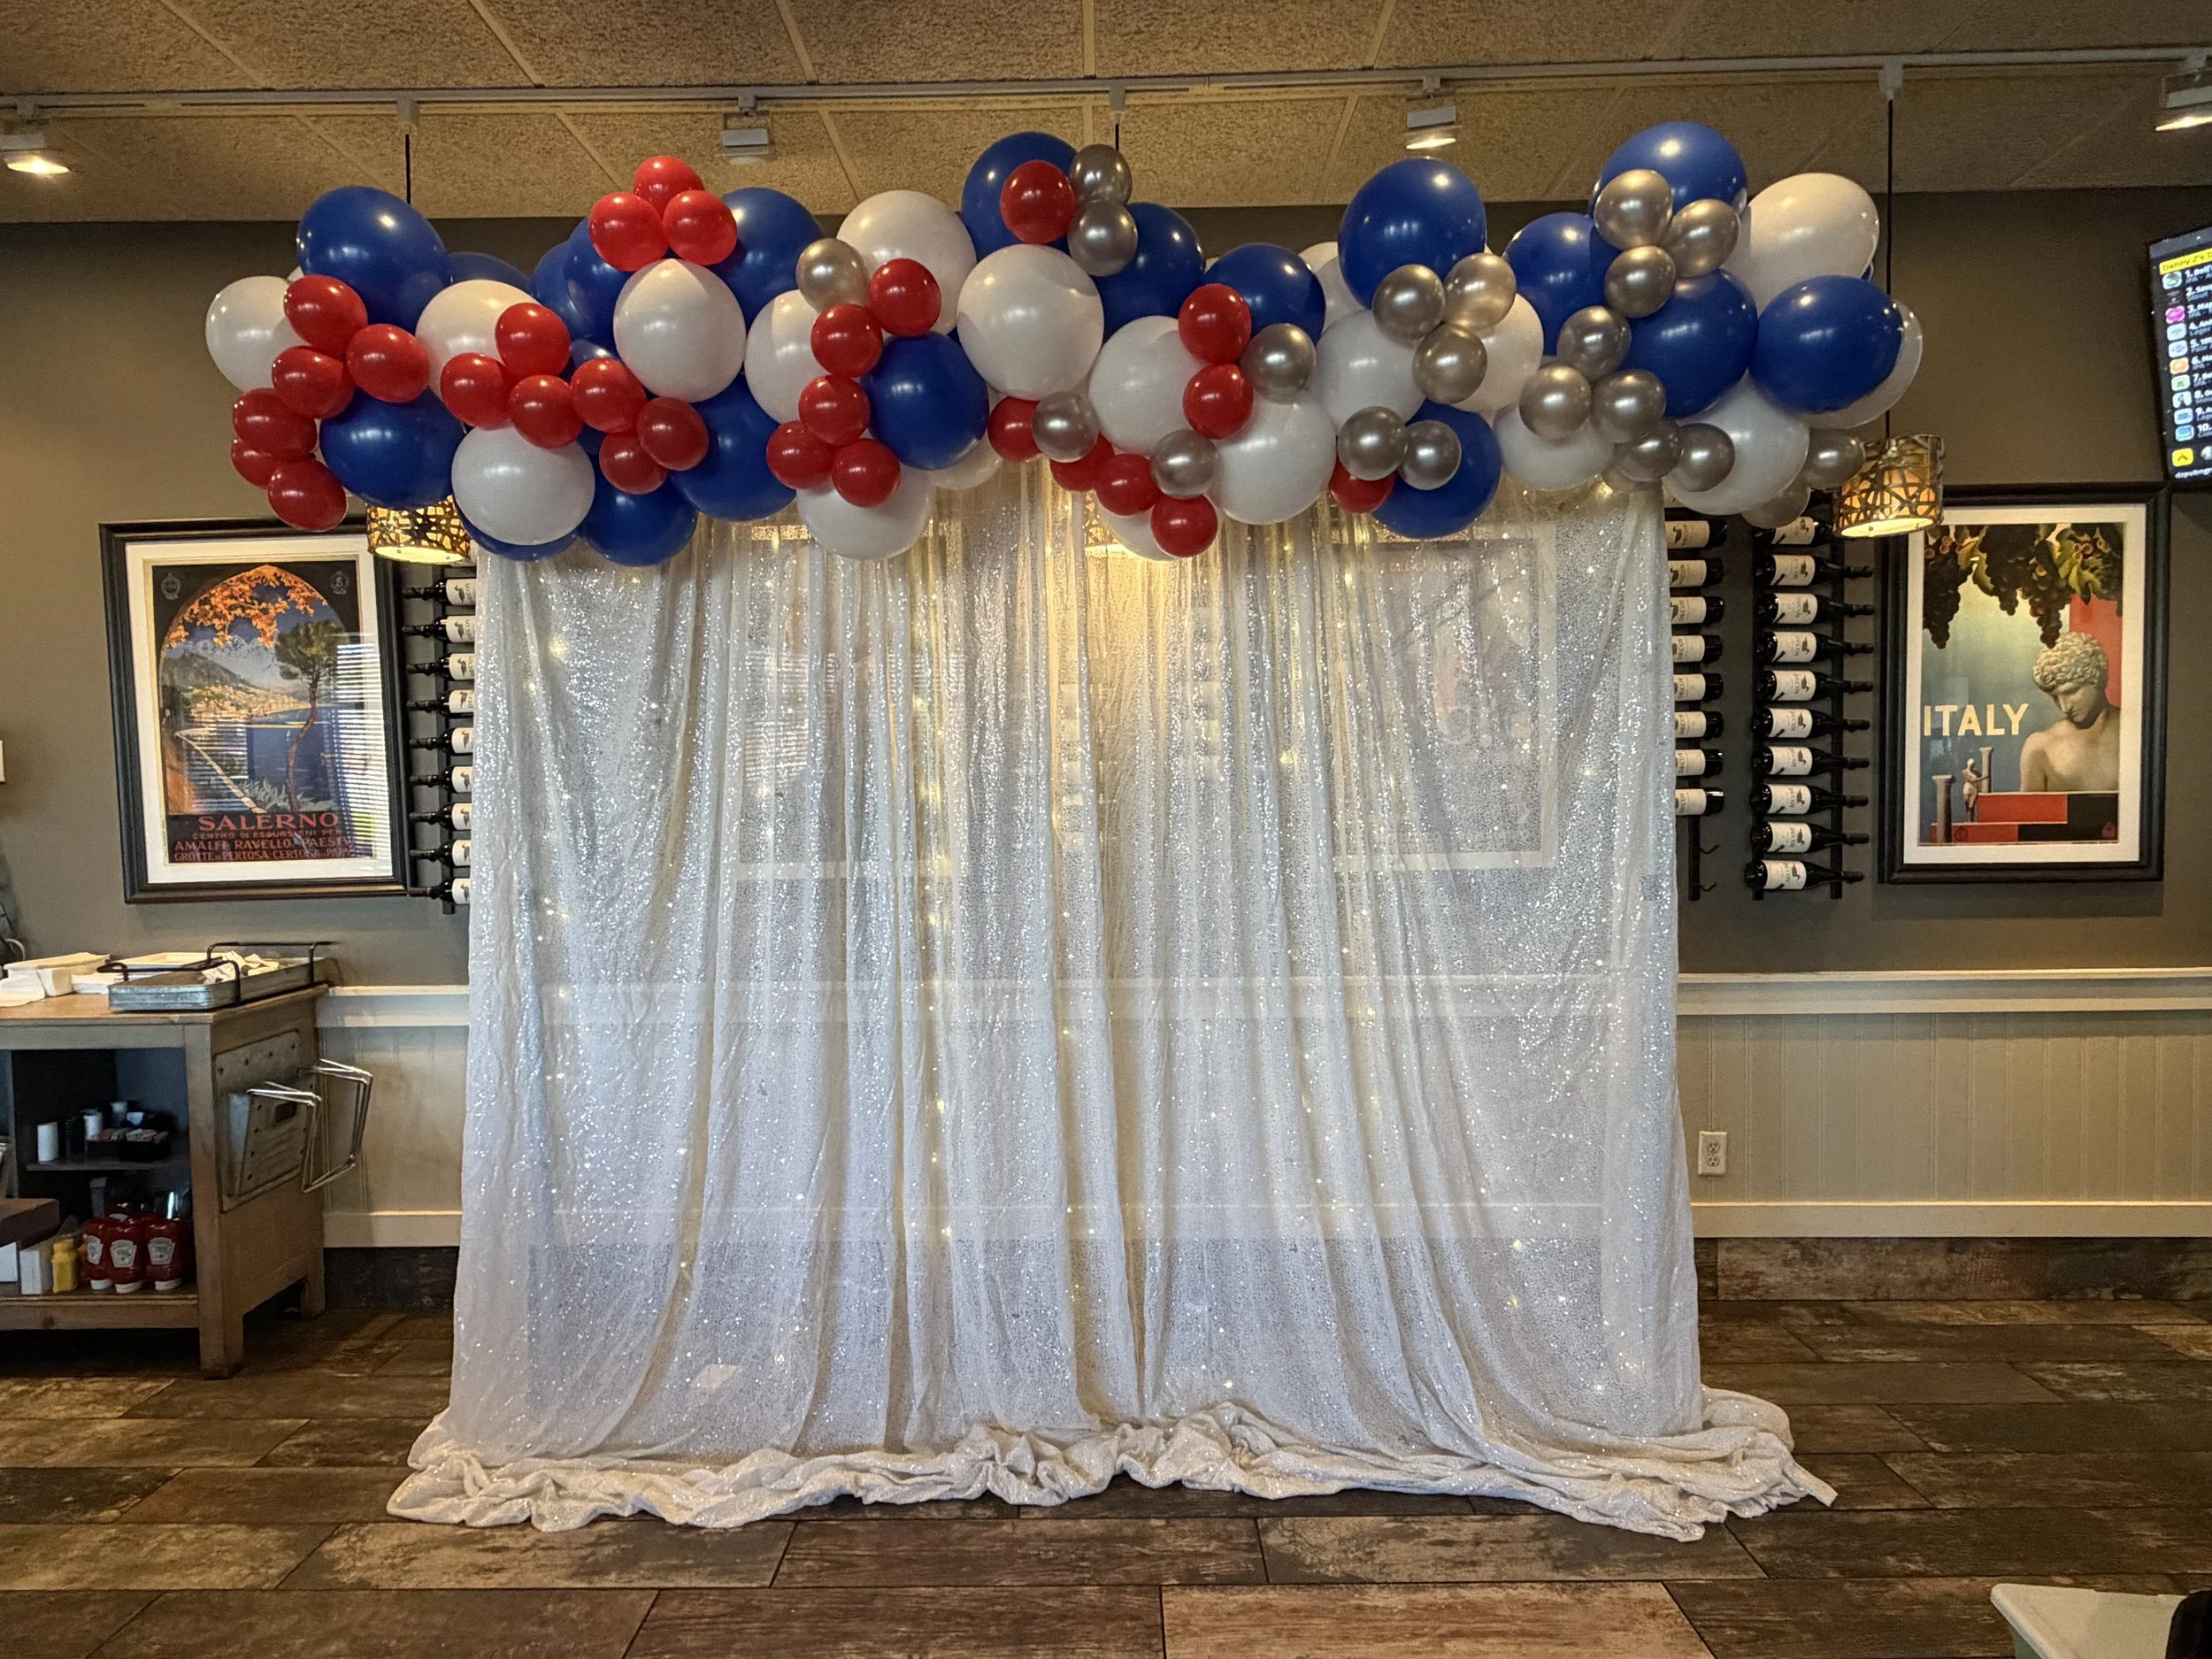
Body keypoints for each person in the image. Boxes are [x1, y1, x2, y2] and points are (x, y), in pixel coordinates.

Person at [2018, 631, 2121, 792]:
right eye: (2055, 697)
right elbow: (2027, 815)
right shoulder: (2040, 748)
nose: (2065, 708)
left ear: (2097, 678)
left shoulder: (2138, 732)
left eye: (2071, 692)